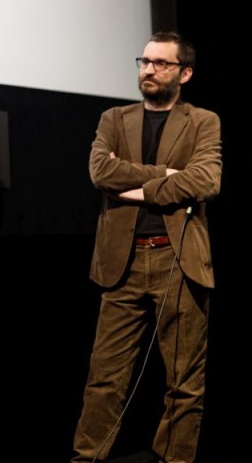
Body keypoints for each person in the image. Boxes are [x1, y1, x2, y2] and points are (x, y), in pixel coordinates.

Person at [71, 31, 222, 462]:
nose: (148, 70)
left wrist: (137, 187)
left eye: (160, 63)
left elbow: (206, 181)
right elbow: (101, 173)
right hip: (123, 262)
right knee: (105, 379)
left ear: (185, 73)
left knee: (184, 383)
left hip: (179, 260)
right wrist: (168, 177)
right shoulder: (113, 119)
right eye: (144, 61)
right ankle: (86, 459)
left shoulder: (203, 121)